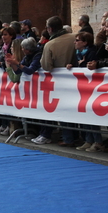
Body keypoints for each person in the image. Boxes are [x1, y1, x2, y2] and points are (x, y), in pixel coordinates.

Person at [41, 16, 78, 146]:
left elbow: (47, 66)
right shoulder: (75, 37)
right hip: (78, 79)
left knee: (64, 109)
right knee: (78, 109)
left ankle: (68, 138)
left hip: (60, 82)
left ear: (50, 29)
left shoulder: (50, 45)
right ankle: (78, 136)